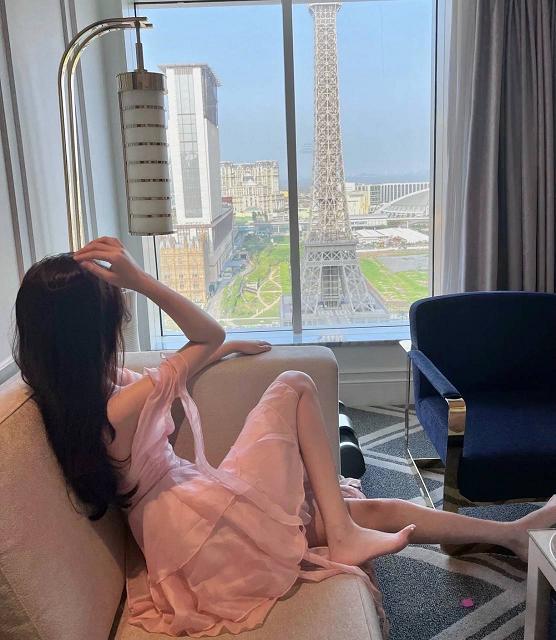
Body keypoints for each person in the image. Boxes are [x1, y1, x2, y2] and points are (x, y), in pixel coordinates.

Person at [13, 236, 556, 638]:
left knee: (371, 508)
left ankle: (511, 534)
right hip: (197, 532)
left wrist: (223, 351)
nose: (123, 317)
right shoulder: (118, 407)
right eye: (116, 309)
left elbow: (188, 359)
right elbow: (206, 334)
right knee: (295, 384)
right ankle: (347, 534)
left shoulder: (86, 395)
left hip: (186, 513)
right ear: (91, 332)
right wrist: (141, 279)